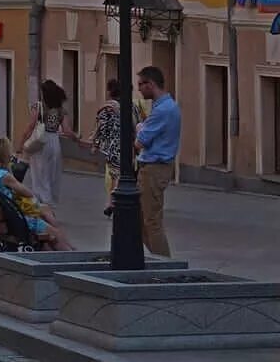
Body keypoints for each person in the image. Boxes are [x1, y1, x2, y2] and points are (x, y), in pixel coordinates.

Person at [0, 137, 72, 250]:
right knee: (55, 233)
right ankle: (72, 255)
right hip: (13, 221)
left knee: (46, 229)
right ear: (5, 154)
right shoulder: (3, 175)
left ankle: (57, 251)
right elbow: (28, 193)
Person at [75, 78, 140, 217]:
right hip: (130, 146)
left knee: (115, 173)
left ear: (111, 91)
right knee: (122, 173)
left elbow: (101, 128)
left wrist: (95, 145)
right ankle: (111, 202)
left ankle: (113, 202)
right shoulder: (132, 106)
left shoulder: (107, 108)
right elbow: (138, 125)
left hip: (113, 145)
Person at [135, 65, 180, 257]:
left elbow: (140, 141)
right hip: (152, 167)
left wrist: (139, 128)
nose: (138, 89)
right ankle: (157, 260)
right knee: (140, 222)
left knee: (151, 221)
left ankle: (165, 264)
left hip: (154, 168)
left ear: (150, 84)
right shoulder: (165, 106)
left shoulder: (162, 110)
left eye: (140, 85)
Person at [22, 79, 72, 208]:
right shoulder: (61, 110)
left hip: (40, 141)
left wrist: (22, 142)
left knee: (39, 174)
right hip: (54, 141)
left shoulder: (38, 106)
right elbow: (67, 131)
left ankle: (43, 203)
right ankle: (50, 202)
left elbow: (31, 126)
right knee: (52, 174)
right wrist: (78, 140)